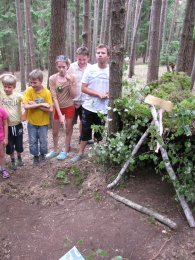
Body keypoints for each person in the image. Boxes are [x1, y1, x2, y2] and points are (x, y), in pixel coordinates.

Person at [71, 44, 110, 162]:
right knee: (85, 131)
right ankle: (80, 153)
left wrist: (107, 94)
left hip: (103, 108)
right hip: (88, 106)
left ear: (108, 55)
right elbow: (83, 88)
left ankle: (97, 151)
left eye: (103, 53)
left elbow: (114, 88)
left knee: (99, 131)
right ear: (95, 55)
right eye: (98, 53)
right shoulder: (90, 69)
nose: (100, 55)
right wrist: (98, 94)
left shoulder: (111, 70)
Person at [46, 55, 77, 160]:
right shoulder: (52, 78)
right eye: (59, 67)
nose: (61, 69)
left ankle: (65, 150)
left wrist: (70, 82)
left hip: (69, 107)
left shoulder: (72, 77)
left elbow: (73, 96)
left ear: (67, 66)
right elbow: (54, 97)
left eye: (63, 67)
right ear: (56, 66)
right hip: (58, 107)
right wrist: (60, 115)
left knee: (68, 130)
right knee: (55, 131)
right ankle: (55, 150)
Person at [22, 69, 53, 166]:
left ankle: (43, 155)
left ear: (41, 81)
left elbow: (50, 109)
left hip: (43, 123)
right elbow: (26, 106)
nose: (32, 84)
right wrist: (41, 105)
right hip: (31, 122)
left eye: (35, 82)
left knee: (43, 141)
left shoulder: (46, 92)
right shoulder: (28, 90)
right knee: (32, 141)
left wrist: (34, 104)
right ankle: (35, 156)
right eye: (31, 82)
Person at [68, 46, 93, 144]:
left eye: (84, 59)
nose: (82, 62)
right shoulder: (71, 68)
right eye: (79, 59)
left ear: (88, 58)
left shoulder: (91, 68)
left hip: (86, 101)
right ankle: (67, 143)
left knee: (84, 122)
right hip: (73, 101)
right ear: (76, 57)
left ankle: (82, 138)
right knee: (70, 123)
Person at [0, 74, 23, 170]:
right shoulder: (2, 94)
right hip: (6, 126)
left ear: (14, 87)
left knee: (18, 143)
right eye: (5, 86)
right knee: (9, 144)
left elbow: (26, 101)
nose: (7, 89)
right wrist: (6, 75)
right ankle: (12, 160)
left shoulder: (18, 96)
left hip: (17, 125)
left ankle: (19, 158)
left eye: (9, 87)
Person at [0, 105, 9, 178]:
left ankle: (3, 169)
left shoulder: (2, 111)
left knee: (1, 154)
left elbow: (5, 124)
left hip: (0, 137)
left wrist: (6, 138)